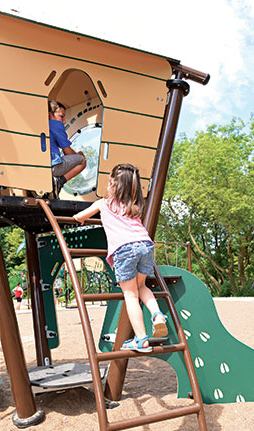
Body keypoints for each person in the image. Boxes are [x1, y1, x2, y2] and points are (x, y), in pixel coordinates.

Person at [72, 163, 168, 352]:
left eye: (109, 183)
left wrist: (78, 218)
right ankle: (157, 315)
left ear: (113, 185)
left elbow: (79, 217)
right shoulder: (134, 205)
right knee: (141, 287)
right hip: (145, 245)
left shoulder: (103, 203)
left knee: (130, 295)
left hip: (125, 249)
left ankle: (141, 340)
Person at [48, 100, 86, 197]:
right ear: (49, 115)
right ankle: (59, 182)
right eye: (61, 116)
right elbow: (68, 152)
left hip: (42, 167)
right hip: (52, 168)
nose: (64, 122)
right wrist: (79, 154)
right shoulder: (55, 125)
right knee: (82, 160)